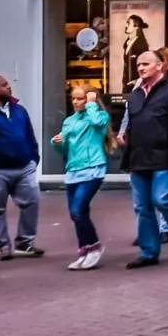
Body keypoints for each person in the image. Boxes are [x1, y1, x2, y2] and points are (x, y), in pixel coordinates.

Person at [122, 50, 168, 269]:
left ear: (160, 66)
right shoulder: (135, 93)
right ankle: (149, 252)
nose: (141, 68)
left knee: (162, 199)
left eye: (146, 64)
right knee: (142, 206)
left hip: (164, 156)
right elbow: (131, 124)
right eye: (138, 65)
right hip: (138, 157)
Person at [0, 75, 44, 260]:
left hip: (23, 165)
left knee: (32, 201)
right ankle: (2, 246)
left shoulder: (18, 110)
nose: (9, 87)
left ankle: (25, 242)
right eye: (4, 85)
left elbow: (29, 134)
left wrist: (34, 157)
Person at [51, 85, 115, 270]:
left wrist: (92, 104)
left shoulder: (100, 116)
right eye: (73, 98)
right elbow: (64, 149)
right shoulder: (69, 121)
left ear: (90, 100)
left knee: (78, 210)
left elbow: (97, 122)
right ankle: (85, 250)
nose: (76, 102)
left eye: (80, 98)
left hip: (93, 168)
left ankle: (94, 247)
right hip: (73, 170)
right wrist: (57, 143)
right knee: (76, 213)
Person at [121, 14, 151, 91]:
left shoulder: (141, 45)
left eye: (128, 23)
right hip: (127, 84)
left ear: (136, 26)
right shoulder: (127, 44)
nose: (126, 25)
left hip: (137, 86)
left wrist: (138, 81)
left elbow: (146, 66)